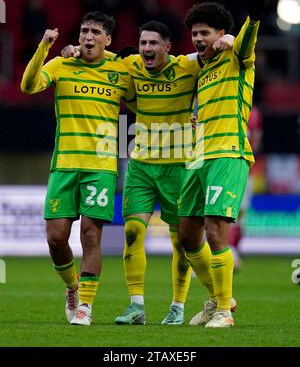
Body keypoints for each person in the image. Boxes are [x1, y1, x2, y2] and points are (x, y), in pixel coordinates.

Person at [61, 22, 234, 326]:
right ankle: (136, 306)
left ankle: (200, 301)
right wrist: (74, 49)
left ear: (168, 47)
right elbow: (98, 54)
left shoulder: (188, 65)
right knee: (132, 231)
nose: (147, 49)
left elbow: (215, 55)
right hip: (141, 164)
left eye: (154, 43)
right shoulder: (130, 65)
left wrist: (229, 38)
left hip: (179, 165)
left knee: (184, 240)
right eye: (142, 43)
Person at [20, 11, 135, 326]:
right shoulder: (62, 64)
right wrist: (45, 47)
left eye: (96, 32)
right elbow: (28, 86)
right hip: (65, 165)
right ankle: (72, 287)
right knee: (56, 238)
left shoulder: (120, 71)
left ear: (108, 39)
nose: (88, 37)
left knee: (90, 236)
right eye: (84, 31)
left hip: (101, 167)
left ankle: (85, 305)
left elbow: (145, 103)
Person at [178, 0, 267, 328]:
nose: (198, 39)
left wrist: (253, 20)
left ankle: (224, 313)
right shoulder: (200, 70)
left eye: (205, 33)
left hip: (228, 153)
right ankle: (219, 297)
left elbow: (245, 43)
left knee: (216, 229)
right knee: (187, 233)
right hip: (199, 157)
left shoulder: (237, 58)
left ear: (220, 34)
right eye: (194, 34)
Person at [228, 104, 263, 270]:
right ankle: (230, 253)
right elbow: (256, 140)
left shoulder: (252, 112)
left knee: (237, 215)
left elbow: (256, 140)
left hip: (240, 170)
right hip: (237, 169)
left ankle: (233, 251)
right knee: (234, 215)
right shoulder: (252, 111)